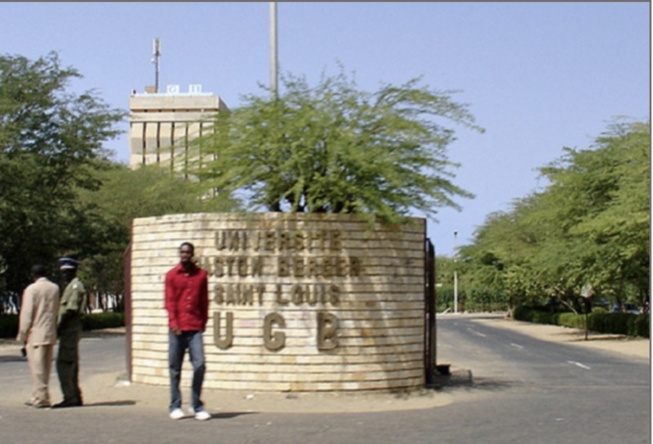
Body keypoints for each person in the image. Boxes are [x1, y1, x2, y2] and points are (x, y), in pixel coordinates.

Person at [165, 242, 210, 421]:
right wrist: (173, 323)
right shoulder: (172, 276)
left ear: (192, 254)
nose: (184, 255)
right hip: (177, 328)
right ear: (179, 254)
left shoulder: (201, 275)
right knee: (175, 368)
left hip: (195, 327)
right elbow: (170, 302)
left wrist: (203, 322)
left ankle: (196, 404)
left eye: (188, 253)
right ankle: (175, 405)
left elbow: (204, 300)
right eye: (182, 252)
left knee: (199, 364)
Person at [16, 264, 60, 408]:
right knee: (45, 367)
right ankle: (37, 395)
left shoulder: (31, 290)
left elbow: (27, 314)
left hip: (35, 333)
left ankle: (42, 397)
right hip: (49, 331)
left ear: (33, 275)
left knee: (37, 367)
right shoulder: (54, 288)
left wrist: (22, 334)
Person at [53, 257, 87, 408]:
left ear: (73, 271)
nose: (64, 275)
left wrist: (59, 328)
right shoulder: (71, 286)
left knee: (65, 364)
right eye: (63, 272)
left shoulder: (74, 287)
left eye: (67, 272)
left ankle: (70, 396)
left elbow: (70, 311)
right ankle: (74, 396)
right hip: (69, 330)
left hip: (70, 330)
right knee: (70, 363)